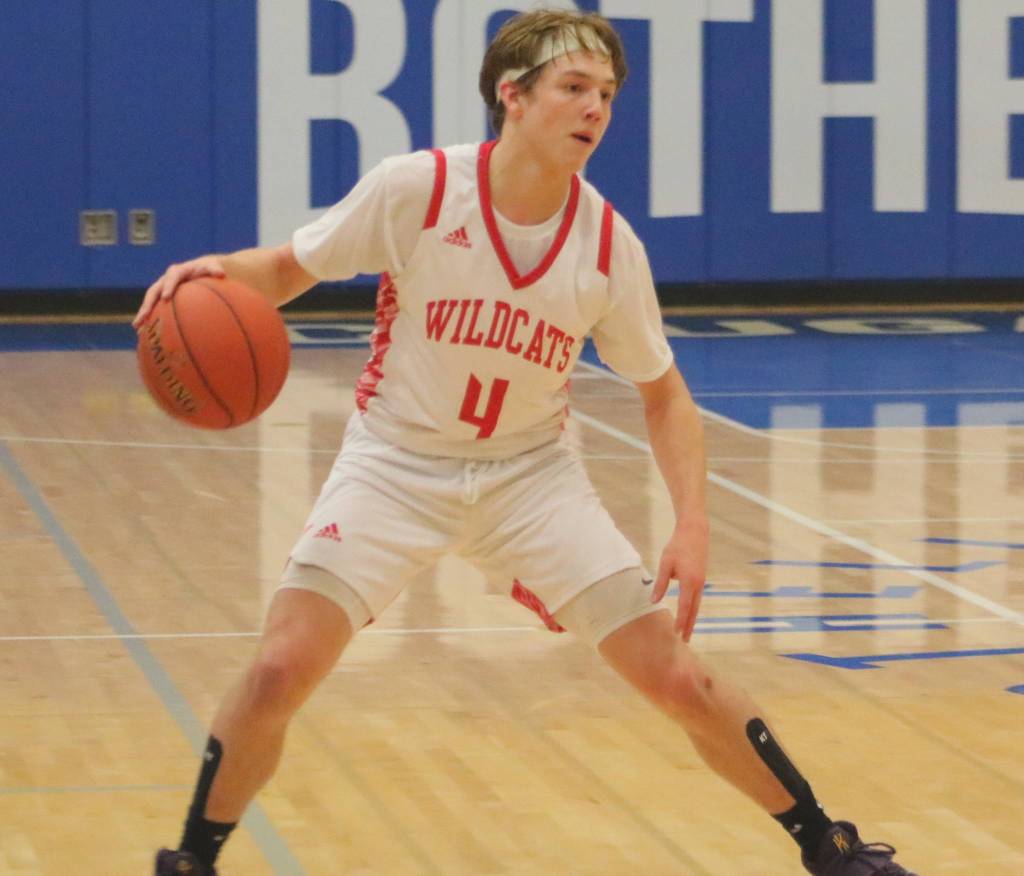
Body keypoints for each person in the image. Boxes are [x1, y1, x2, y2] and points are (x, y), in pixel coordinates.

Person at [138, 9, 915, 875]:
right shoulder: (418, 190)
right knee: (281, 669)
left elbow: (664, 395)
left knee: (676, 678)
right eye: (574, 87)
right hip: (395, 464)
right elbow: (286, 268)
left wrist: (691, 523)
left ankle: (831, 847)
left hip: (531, 477)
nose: (595, 109)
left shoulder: (609, 245)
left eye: (608, 94)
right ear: (512, 95)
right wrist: (205, 273)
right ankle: (193, 858)